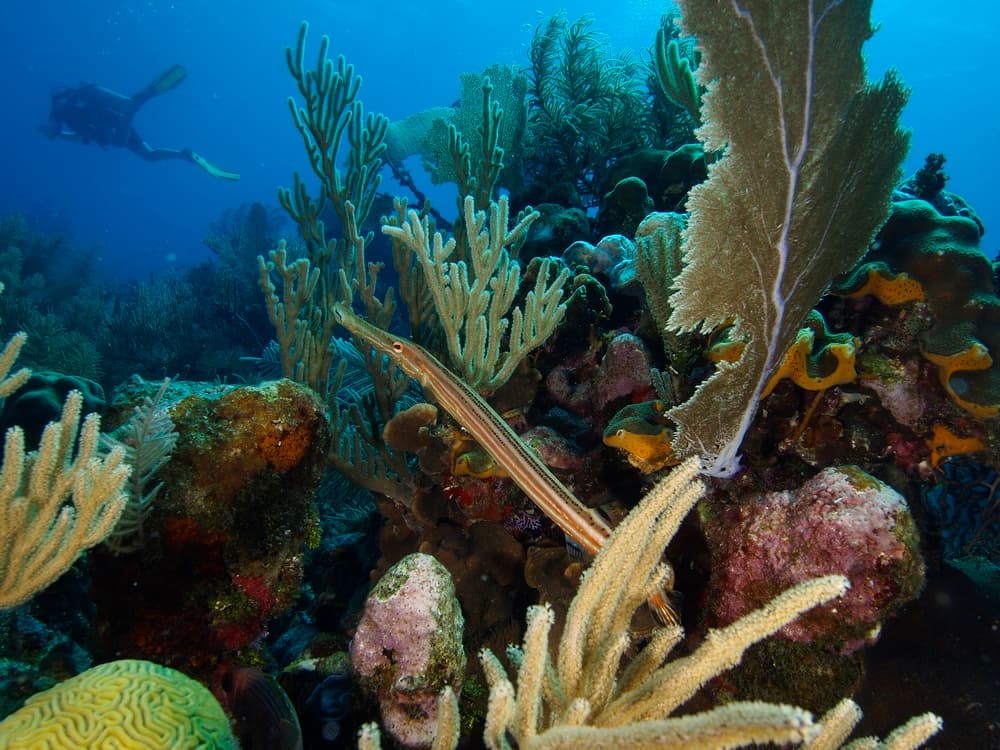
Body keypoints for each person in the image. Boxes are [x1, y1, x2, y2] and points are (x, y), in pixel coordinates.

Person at [41, 64, 239, 180]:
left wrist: (55, 131)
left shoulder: (72, 103)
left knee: (129, 107)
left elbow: (99, 102)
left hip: (116, 124)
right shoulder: (69, 120)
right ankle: (185, 155)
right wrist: (58, 134)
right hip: (116, 131)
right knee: (150, 155)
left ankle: (152, 91)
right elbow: (78, 138)